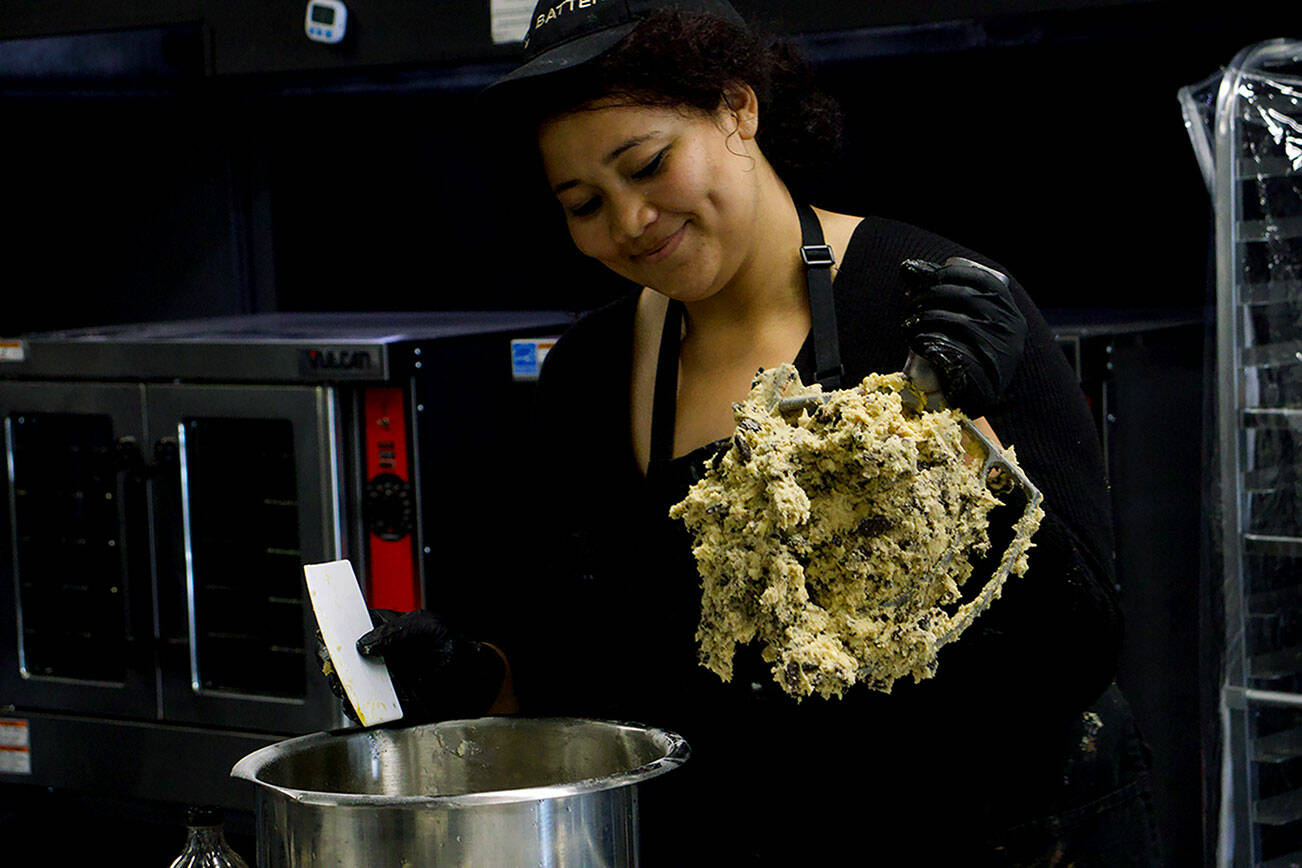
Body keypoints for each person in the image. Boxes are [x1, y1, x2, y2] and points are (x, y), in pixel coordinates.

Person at [332, 0, 1160, 863]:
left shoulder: (923, 312)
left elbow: (1077, 651)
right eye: (583, 203)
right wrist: (481, 679)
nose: (628, 222)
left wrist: (963, 451)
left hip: (979, 829)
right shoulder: (592, 373)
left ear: (738, 107)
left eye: (649, 164)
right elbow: (587, 669)